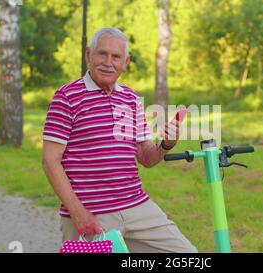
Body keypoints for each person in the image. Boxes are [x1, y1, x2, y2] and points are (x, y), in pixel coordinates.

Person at [41, 27, 197, 253]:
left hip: (137, 207)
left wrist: (167, 144)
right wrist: (78, 213)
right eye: (102, 54)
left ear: (126, 62)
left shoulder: (131, 99)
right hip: (91, 215)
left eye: (116, 57)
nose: (108, 62)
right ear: (88, 55)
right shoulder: (67, 97)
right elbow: (49, 160)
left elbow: (146, 157)